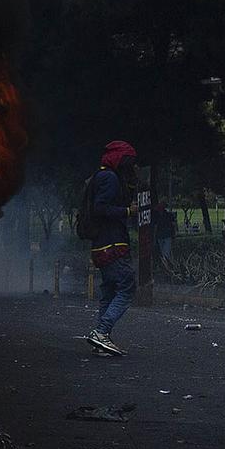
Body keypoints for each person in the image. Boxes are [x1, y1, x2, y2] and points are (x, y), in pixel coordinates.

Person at [82, 140, 138, 356]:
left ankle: (101, 339)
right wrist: (127, 211)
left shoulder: (101, 176)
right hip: (112, 244)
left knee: (109, 290)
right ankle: (102, 332)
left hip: (102, 245)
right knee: (126, 286)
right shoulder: (109, 178)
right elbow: (101, 208)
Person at [153, 197, 177, 276]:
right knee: (165, 254)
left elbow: (173, 226)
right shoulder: (165, 215)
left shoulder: (167, 215)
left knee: (165, 254)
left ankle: (167, 270)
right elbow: (173, 225)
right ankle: (167, 270)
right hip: (163, 236)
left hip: (165, 236)